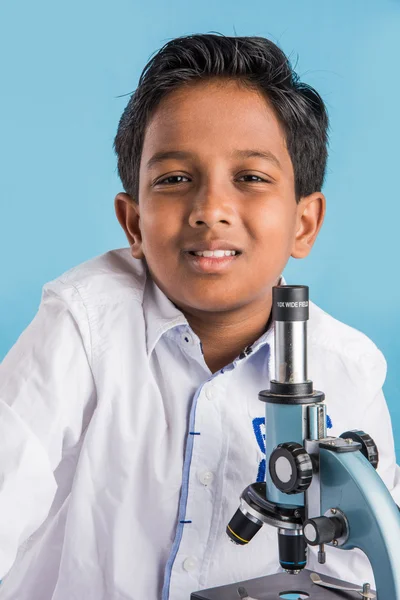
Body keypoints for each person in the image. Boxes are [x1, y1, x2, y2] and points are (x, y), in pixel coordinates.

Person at [0, 33, 398, 600]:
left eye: (251, 178)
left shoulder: (348, 369)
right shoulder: (83, 326)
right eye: (174, 179)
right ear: (133, 222)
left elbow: (361, 564)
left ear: (304, 223)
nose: (210, 210)